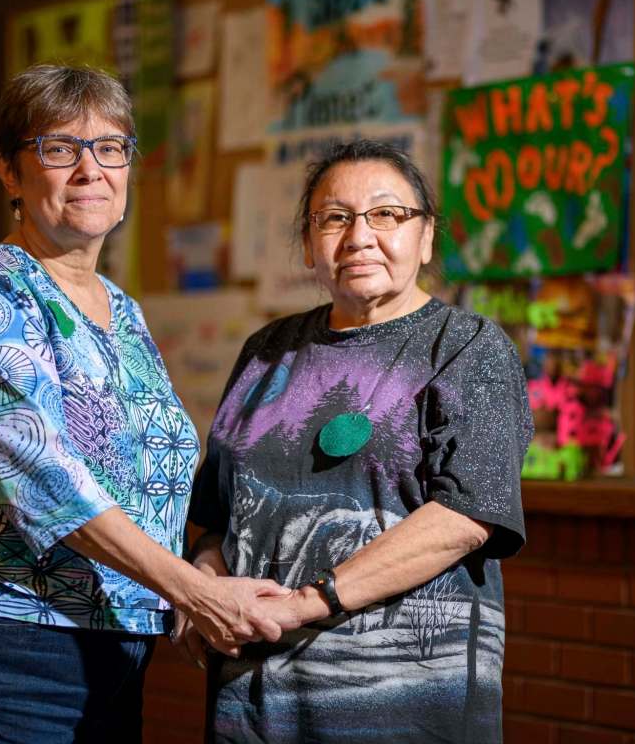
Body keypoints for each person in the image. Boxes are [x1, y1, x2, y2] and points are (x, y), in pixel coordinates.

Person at [0, 63, 297, 744]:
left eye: (110, 148)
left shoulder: (123, 311)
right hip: (4, 646)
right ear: (9, 172)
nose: (90, 170)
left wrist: (200, 570)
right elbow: (50, 482)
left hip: (111, 652)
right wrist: (193, 593)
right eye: (58, 148)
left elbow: (146, 479)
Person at [181, 140, 534, 743]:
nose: (359, 236)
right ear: (308, 243)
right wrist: (206, 589)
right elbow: (219, 514)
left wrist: (304, 604)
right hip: (255, 696)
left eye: (386, 214)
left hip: (403, 705)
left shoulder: (468, 347)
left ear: (425, 239)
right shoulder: (268, 350)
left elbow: (465, 517)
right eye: (335, 217)